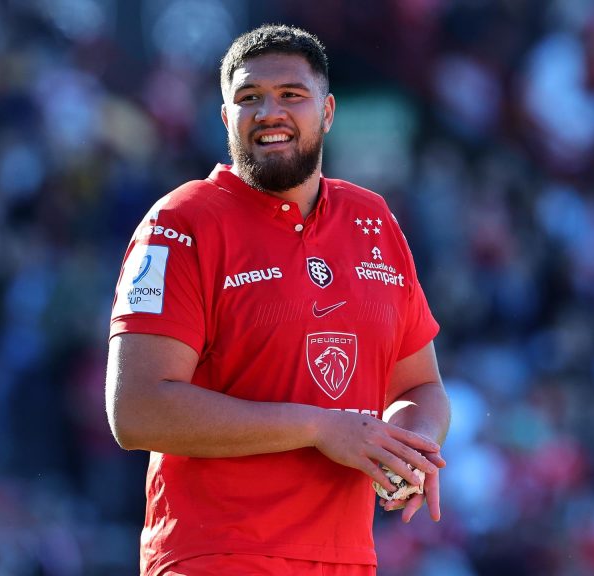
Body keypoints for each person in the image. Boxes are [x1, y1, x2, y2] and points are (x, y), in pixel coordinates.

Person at [105, 24, 450, 576]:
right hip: (216, 556)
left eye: (291, 94)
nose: (270, 112)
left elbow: (420, 386)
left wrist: (410, 445)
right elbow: (137, 410)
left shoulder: (373, 221)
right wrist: (318, 427)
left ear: (328, 112)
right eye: (249, 98)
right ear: (226, 118)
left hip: (348, 559)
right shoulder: (180, 222)